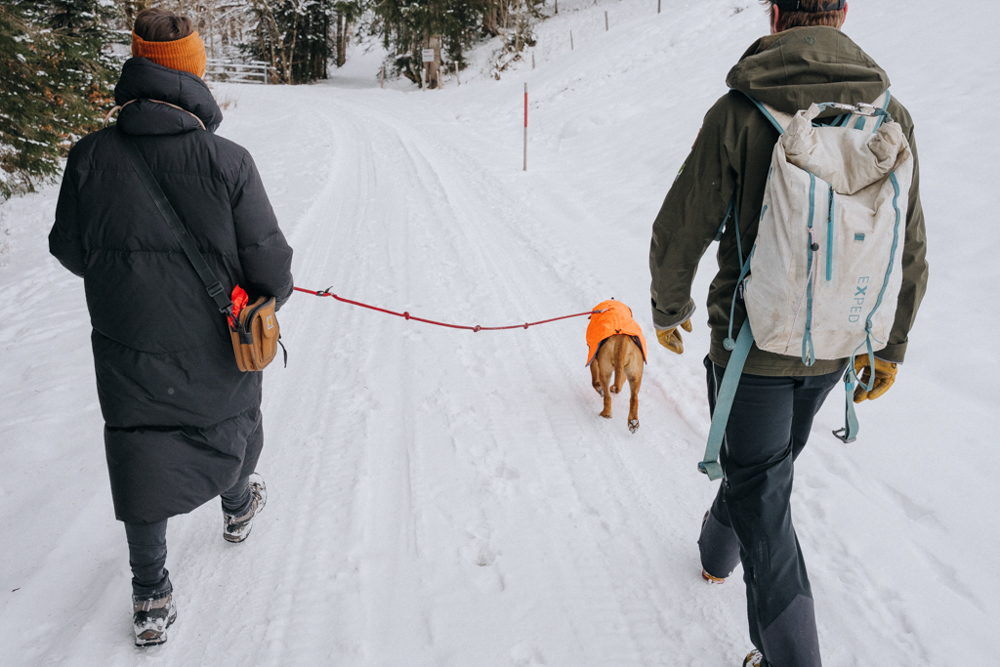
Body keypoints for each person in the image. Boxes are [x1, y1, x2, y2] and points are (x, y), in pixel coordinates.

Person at [648, 2, 928, 665]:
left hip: (751, 348)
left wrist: (668, 308)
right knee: (765, 472)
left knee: (764, 492)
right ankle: (716, 553)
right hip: (838, 340)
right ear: (843, 11)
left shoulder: (739, 111)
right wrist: (889, 347)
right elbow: (909, 242)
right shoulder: (890, 113)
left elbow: (680, 226)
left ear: (775, 13)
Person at [49, 7, 293, 647]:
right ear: (193, 72)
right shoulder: (228, 161)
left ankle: (151, 594)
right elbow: (271, 267)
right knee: (227, 420)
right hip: (214, 336)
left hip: (127, 340)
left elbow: (69, 250)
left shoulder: (88, 156)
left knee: (140, 447)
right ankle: (238, 508)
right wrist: (262, 292)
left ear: (138, 68)